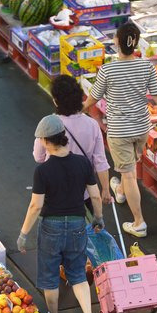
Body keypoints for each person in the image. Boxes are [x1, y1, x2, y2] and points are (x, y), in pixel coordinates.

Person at [84, 22, 157, 238]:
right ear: (136, 43)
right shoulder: (146, 66)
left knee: (128, 174)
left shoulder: (108, 70)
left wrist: (74, 109)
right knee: (130, 164)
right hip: (141, 128)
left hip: (120, 131)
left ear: (117, 42)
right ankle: (120, 192)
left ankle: (139, 222)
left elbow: (94, 96)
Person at [17, 115, 101, 313]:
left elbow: (36, 205)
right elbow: (94, 194)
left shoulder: (43, 171)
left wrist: (23, 234)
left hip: (51, 226)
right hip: (77, 223)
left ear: (45, 140)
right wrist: (99, 218)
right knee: (77, 273)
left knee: (50, 274)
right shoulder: (83, 163)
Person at [33, 75, 111, 211]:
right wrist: (105, 189)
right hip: (83, 191)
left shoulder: (49, 124)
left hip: (54, 191)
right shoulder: (92, 125)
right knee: (85, 229)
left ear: (56, 101)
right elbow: (100, 161)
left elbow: (38, 157)